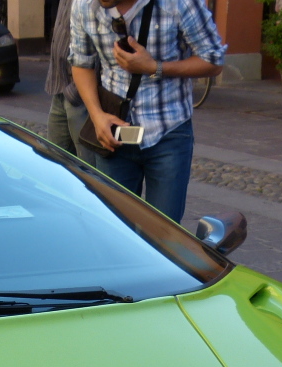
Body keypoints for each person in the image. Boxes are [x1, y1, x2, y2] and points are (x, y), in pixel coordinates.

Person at [69, 0, 224, 223]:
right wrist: (96, 116)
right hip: (113, 131)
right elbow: (81, 63)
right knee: (114, 228)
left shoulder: (179, 3)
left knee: (164, 233)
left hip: (168, 131)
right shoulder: (84, 5)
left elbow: (213, 60)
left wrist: (154, 67)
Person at [46, 0, 94, 162]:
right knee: (55, 158)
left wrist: (76, 87)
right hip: (58, 84)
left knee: (87, 165)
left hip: (80, 91)